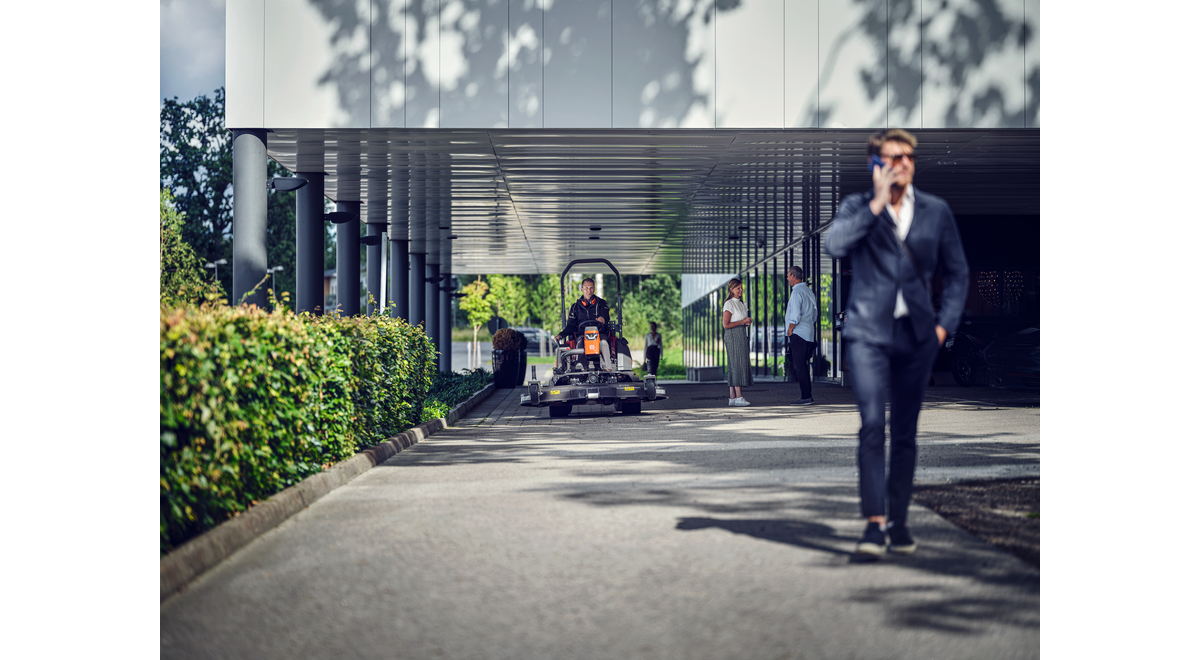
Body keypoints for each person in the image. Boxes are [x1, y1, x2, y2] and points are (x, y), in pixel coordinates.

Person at [824, 128, 969, 559]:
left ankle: (899, 522)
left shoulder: (935, 211)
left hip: (917, 335)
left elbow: (958, 274)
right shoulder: (857, 207)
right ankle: (874, 524)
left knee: (905, 431)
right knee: (873, 425)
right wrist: (875, 203)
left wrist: (942, 329)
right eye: (892, 157)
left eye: (908, 156)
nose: (903, 163)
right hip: (867, 334)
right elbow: (834, 245)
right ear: (876, 164)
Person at [555, 277, 613, 370]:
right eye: (586, 288)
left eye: (591, 288)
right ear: (582, 289)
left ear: (594, 289)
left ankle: (608, 368)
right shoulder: (575, 307)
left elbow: (606, 317)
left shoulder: (602, 304)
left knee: (603, 342)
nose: (589, 291)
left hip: (599, 334)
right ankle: (581, 367)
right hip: (582, 335)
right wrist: (561, 334)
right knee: (580, 342)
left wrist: (603, 319)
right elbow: (571, 326)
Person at [784, 265, 818, 405]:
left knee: (799, 365)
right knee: (803, 365)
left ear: (793, 276)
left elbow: (796, 315)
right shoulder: (809, 291)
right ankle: (807, 395)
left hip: (798, 333)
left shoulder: (796, 292)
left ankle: (806, 397)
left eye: (788, 276)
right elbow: (815, 313)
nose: (787, 278)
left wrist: (790, 329)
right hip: (808, 333)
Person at [720, 278, 753, 406]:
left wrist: (746, 322)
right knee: (736, 364)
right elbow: (726, 325)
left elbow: (740, 320)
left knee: (734, 364)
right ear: (731, 289)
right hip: (732, 336)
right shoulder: (729, 304)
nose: (741, 290)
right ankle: (739, 397)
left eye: (741, 287)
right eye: (738, 288)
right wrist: (743, 321)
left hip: (741, 334)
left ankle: (732, 397)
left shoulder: (742, 303)